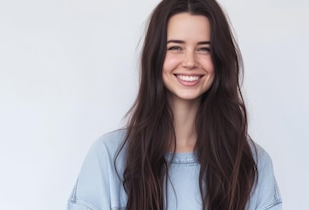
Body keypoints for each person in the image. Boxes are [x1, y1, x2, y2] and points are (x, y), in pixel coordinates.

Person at [67, 0, 282, 209]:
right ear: (156, 56)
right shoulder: (108, 158)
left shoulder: (252, 164)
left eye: (204, 49)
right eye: (176, 47)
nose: (190, 62)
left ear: (220, 59)